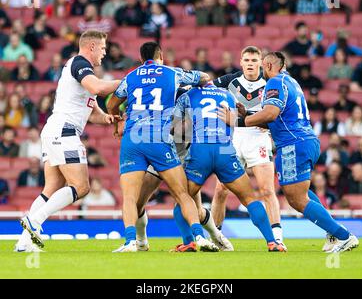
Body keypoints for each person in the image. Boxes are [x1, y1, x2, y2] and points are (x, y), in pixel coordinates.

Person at [219, 51, 359, 253]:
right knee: (304, 192)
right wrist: (248, 114)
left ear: (267, 66)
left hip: (293, 144)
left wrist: (238, 121)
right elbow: (278, 119)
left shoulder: (274, 83)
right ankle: (332, 233)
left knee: (295, 199)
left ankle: (344, 236)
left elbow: (271, 113)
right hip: (307, 140)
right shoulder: (292, 82)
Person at [107, 41, 218, 253]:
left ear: (141, 59)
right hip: (159, 137)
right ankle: (200, 237)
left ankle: (131, 241)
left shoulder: (130, 77)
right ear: (161, 56)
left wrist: (118, 119)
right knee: (181, 193)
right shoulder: (172, 73)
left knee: (130, 197)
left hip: (133, 139)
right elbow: (204, 77)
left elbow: (111, 104)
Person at [17, 30, 121, 252]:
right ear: (91, 46)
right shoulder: (79, 64)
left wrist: (109, 118)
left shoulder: (84, 72)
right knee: (81, 187)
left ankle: (24, 242)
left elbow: (93, 113)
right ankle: (34, 222)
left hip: (55, 130)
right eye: (102, 48)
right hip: (64, 131)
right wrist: (127, 81)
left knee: (52, 188)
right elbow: (98, 88)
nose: (105, 52)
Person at [172, 82, 286, 252]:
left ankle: (189, 242)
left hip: (200, 151)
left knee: (183, 199)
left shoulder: (188, 95)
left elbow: (177, 128)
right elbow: (233, 123)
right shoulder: (228, 95)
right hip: (225, 151)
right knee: (250, 199)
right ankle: (272, 242)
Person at [211, 46, 285, 246]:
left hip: (258, 139)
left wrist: (246, 116)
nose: (250, 64)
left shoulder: (270, 84)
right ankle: (216, 237)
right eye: (247, 60)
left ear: (261, 63)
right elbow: (205, 89)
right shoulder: (229, 81)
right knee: (220, 190)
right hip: (233, 139)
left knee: (267, 190)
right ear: (241, 62)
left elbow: (273, 118)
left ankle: (277, 237)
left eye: (254, 60)